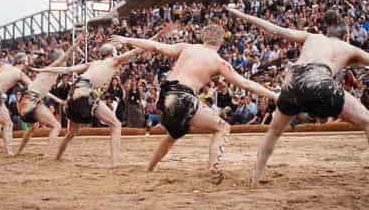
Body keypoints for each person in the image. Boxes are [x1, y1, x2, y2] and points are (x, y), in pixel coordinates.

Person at [109, 24, 277, 184]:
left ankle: (150, 168)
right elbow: (246, 84)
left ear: (203, 37)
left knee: (174, 134)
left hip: (165, 95)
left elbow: (155, 46)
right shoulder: (219, 62)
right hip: (183, 96)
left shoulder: (187, 47)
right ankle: (213, 167)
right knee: (223, 127)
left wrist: (127, 39)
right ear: (220, 41)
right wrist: (273, 94)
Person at [228, 8, 369, 186]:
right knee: (367, 120)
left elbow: (275, 29)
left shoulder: (312, 37)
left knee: (273, 131)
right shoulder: (348, 47)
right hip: (318, 81)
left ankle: (255, 176)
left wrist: (241, 14)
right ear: (345, 35)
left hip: (291, 85)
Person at [31, 27, 172, 167]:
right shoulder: (114, 60)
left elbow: (66, 70)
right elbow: (138, 50)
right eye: (115, 50)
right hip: (85, 92)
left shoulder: (92, 63)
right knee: (115, 124)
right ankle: (115, 163)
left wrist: (43, 69)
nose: (117, 52)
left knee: (71, 133)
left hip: (73, 93)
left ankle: (57, 157)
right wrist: (157, 36)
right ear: (112, 53)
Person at [15, 36, 82, 157]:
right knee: (56, 126)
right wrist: (76, 44)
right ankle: (46, 154)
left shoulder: (49, 73)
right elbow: (65, 56)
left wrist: (58, 100)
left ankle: (19, 151)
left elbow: (44, 92)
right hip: (31, 99)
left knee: (33, 127)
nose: (65, 63)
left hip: (26, 100)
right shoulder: (52, 68)